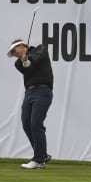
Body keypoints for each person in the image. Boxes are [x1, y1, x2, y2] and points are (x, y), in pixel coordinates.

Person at [7, 38, 54, 169]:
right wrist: (25, 62)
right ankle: (42, 155)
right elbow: (28, 68)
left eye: (15, 50)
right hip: (29, 93)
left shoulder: (40, 48)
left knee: (35, 123)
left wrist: (28, 60)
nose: (14, 54)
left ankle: (38, 159)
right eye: (12, 52)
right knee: (26, 123)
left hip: (43, 91)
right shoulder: (18, 63)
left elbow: (37, 58)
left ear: (22, 46)